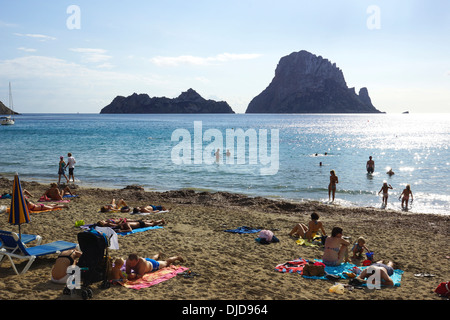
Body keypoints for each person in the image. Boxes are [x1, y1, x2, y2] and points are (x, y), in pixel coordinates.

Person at [96, 218, 166, 233]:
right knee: (151, 223)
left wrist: (121, 231)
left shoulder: (126, 224)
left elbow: (130, 230)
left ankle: (161, 220)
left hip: (141, 224)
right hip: (139, 223)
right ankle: (150, 220)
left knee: (153, 224)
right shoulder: (125, 224)